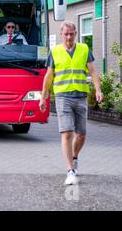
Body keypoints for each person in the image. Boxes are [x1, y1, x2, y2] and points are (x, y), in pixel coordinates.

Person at [39, 21, 103, 186]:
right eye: (66, 34)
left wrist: (98, 90)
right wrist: (43, 97)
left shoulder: (84, 49)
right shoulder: (55, 51)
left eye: (72, 34)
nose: (69, 37)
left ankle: (74, 159)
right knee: (66, 133)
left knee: (81, 135)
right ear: (61, 34)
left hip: (81, 96)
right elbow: (48, 76)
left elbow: (93, 71)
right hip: (63, 96)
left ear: (76, 34)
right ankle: (70, 171)